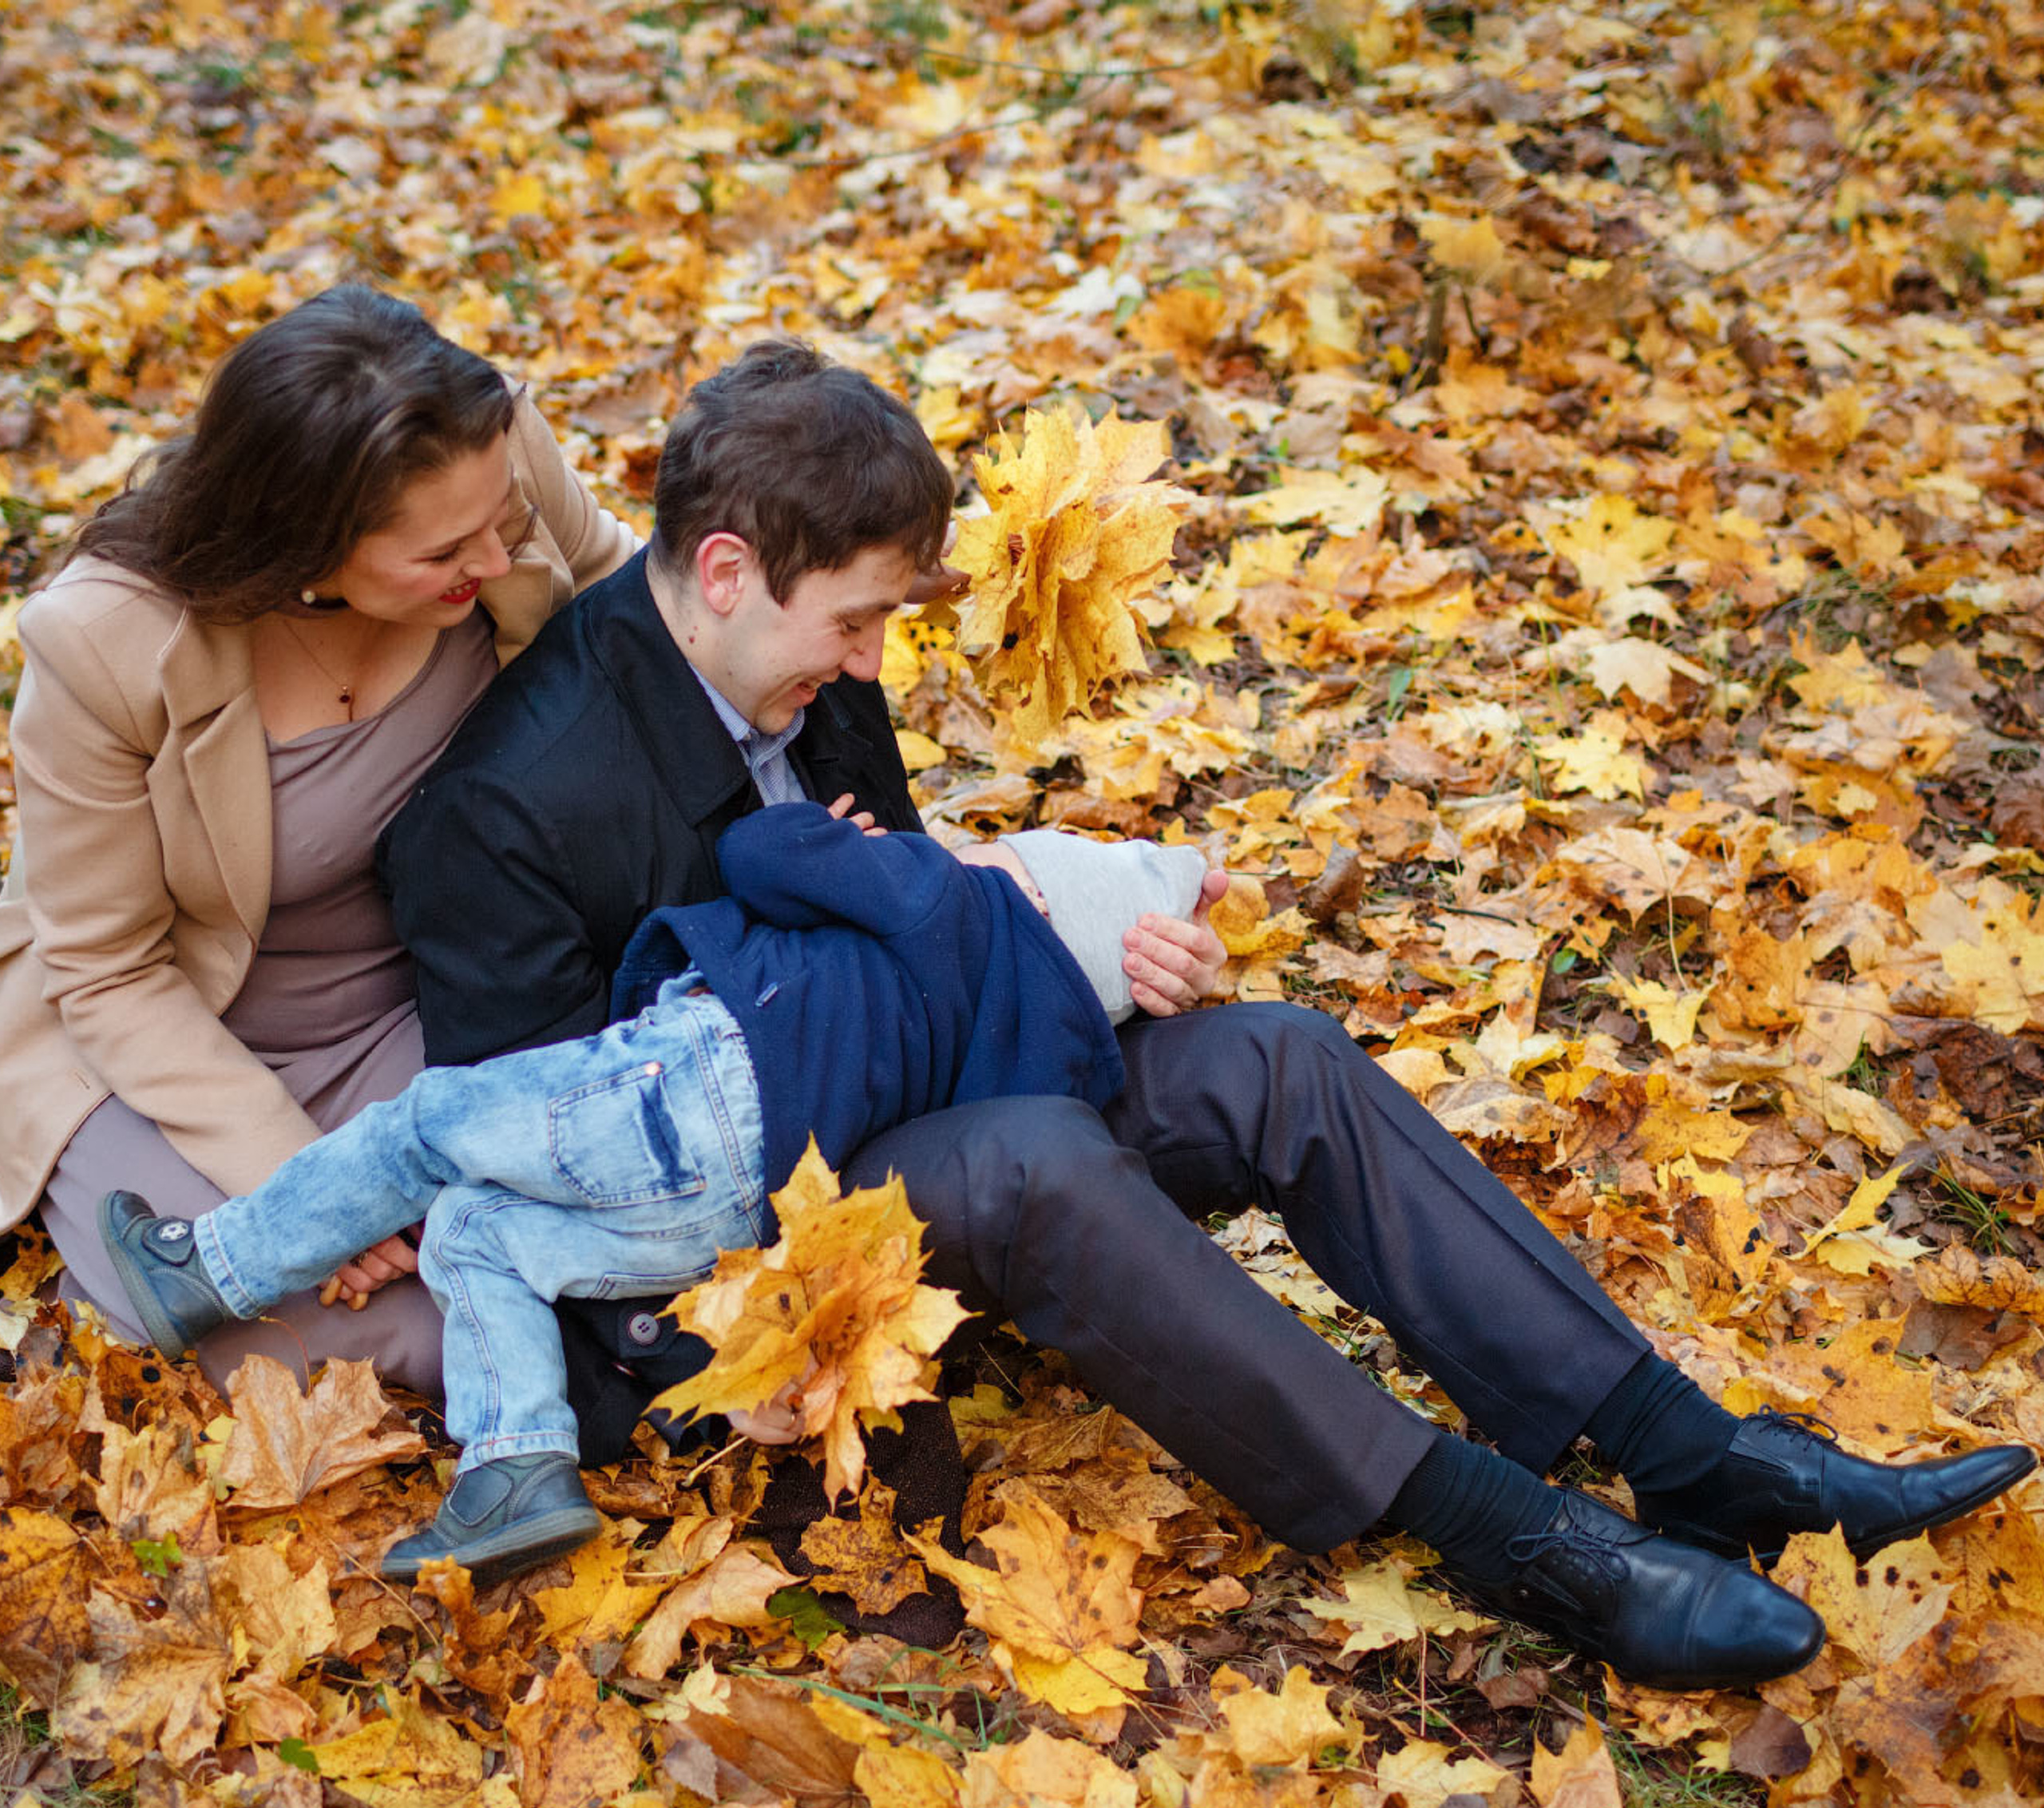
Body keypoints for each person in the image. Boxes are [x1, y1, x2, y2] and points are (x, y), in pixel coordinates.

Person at [378, 338, 2033, 1692]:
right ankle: (1511, 1538)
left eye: (893, 618)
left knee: (1276, 1060)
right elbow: (534, 1169)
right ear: (726, 571)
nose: (876, 663)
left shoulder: (800, 667)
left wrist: (1079, 946)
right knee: (1033, 1154)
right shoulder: (508, 813)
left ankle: (1686, 1447)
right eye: (856, 621)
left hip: (927, 1087)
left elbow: (911, 896)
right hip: (746, 1239)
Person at [95, 807, 1210, 1588]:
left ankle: (211, 1268)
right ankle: (515, 1468)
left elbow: (763, 847)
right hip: (725, 1207)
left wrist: (923, 858)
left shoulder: (951, 906)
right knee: (481, 1233)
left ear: (1034, 894)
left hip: (691, 1095)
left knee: (432, 1119)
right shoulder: (1033, 1057)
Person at [0, 286, 640, 1395]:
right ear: (306, 543)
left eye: (501, 524)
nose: (494, 556)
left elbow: (650, 617)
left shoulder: (485, 463)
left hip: (428, 1000)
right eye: (443, 551)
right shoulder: (106, 641)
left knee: (576, 1237)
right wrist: (318, 1192)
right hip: (176, 1043)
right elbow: (106, 972)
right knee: (384, 1328)